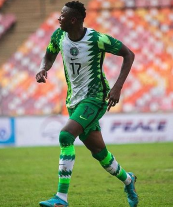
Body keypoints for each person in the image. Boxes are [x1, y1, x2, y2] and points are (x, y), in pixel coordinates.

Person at [36, 1, 138, 207]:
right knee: (100, 153)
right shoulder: (58, 36)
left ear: (73, 19)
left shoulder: (96, 39)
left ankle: (61, 199)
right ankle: (128, 180)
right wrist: (43, 68)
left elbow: (129, 54)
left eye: (62, 16)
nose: (59, 19)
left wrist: (117, 87)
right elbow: (49, 54)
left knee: (65, 136)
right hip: (74, 101)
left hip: (95, 98)